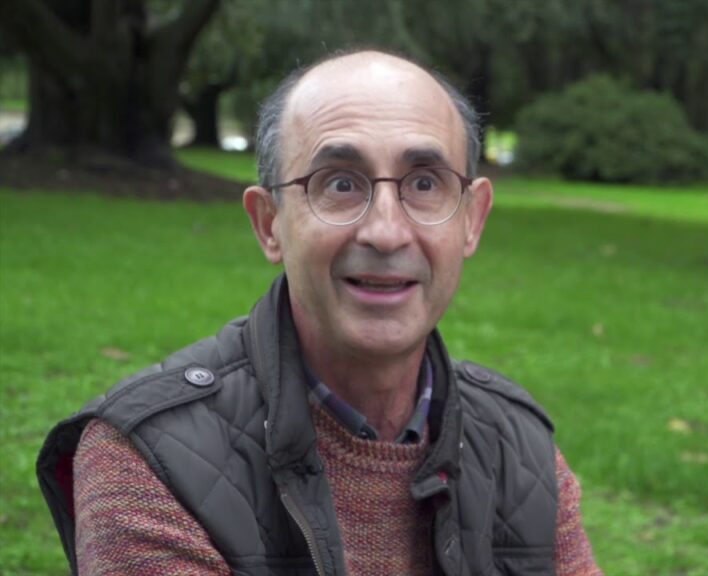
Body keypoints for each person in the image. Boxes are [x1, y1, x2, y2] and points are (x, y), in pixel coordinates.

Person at [37, 50, 601, 575]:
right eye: (340, 183)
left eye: (425, 183)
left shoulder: (519, 449)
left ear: (472, 219)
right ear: (270, 224)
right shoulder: (149, 460)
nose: (386, 232)